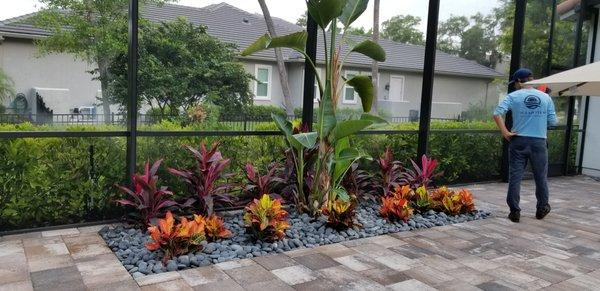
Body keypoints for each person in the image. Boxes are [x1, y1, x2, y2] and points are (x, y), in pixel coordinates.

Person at [493, 68, 558, 223]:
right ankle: (542, 208)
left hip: (518, 140)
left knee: (515, 177)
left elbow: (497, 113)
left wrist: (505, 132)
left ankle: (514, 211)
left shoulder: (513, 96)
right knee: (540, 176)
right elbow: (553, 122)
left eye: (514, 83)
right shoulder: (545, 97)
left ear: (518, 82)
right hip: (539, 142)